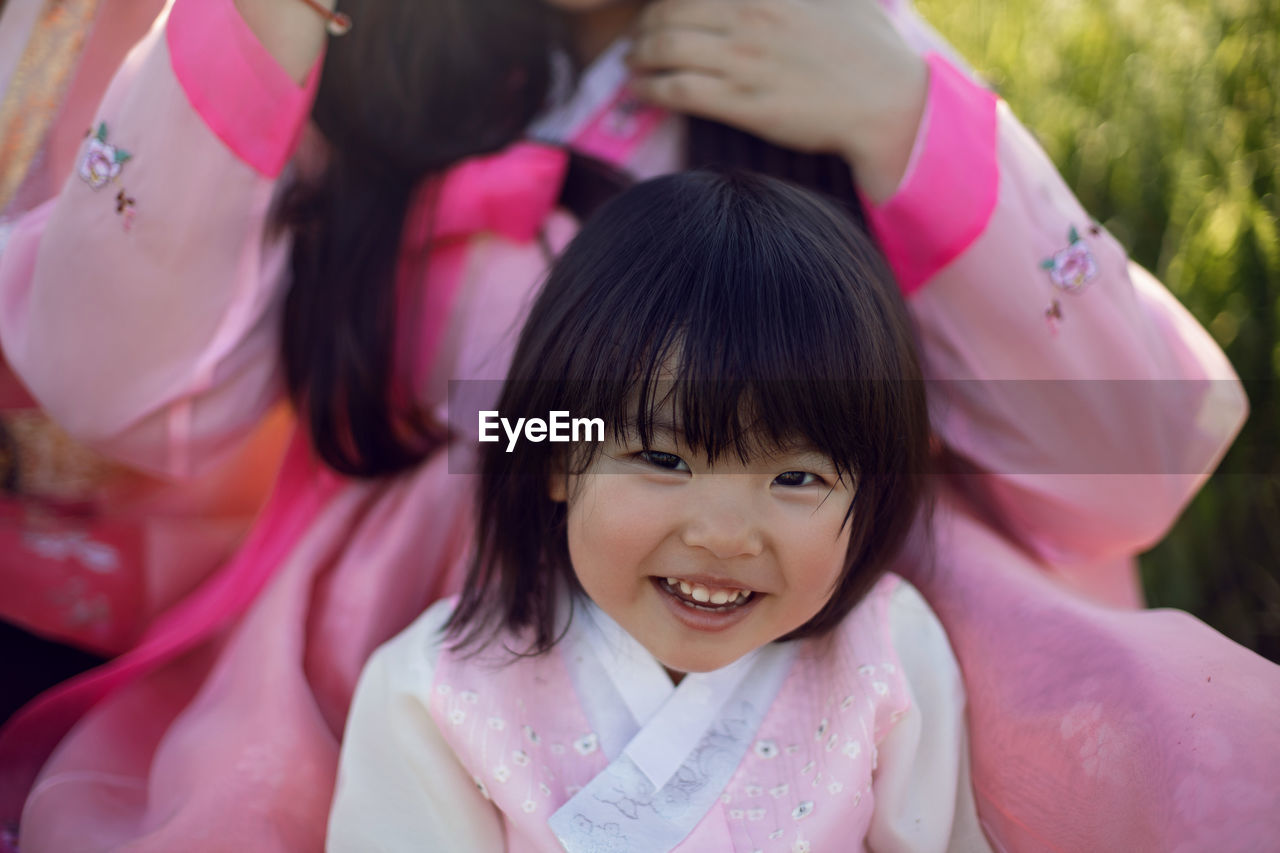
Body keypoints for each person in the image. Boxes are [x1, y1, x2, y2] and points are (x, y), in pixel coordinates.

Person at [0, 0, 1264, 849]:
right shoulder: (349, 52)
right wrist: (254, 30)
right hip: (415, 578)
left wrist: (899, 115)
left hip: (825, 554)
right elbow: (100, 380)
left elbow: (1135, 449)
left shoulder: (825, 33)